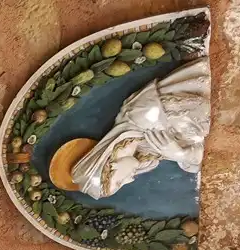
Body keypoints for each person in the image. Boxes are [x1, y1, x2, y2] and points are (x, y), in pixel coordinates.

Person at [71, 57, 210, 199]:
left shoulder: (140, 114)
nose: (130, 180)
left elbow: (207, 110)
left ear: (109, 165)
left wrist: (184, 154)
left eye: (119, 182)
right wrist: (182, 154)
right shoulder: (146, 150)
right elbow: (205, 159)